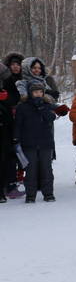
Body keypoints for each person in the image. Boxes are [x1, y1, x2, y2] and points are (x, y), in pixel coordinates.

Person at [14, 81, 57, 203]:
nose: (38, 94)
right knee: (31, 170)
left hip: (45, 143)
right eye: (35, 92)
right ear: (30, 93)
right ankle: (30, 195)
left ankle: (48, 194)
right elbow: (18, 124)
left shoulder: (47, 104)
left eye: (40, 92)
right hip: (29, 143)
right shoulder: (22, 106)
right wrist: (16, 139)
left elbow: (51, 117)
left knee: (46, 169)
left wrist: (41, 107)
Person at [1, 53, 24, 198]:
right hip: (6, 119)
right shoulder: (6, 77)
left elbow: (15, 96)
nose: (15, 66)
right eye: (13, 64)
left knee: (13, 154)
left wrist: (7, 99)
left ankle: (12, 183)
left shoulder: (11, 79)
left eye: (18, 64)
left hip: (11, 121)